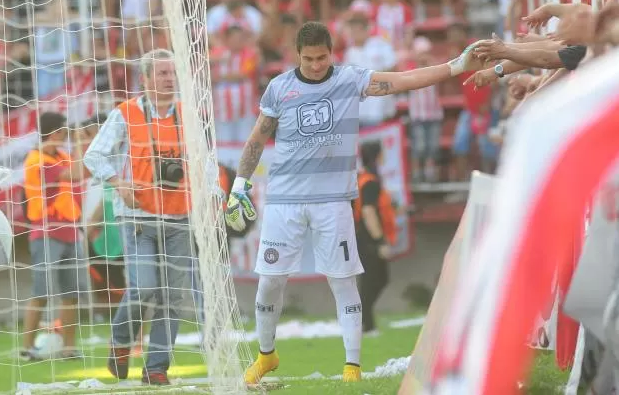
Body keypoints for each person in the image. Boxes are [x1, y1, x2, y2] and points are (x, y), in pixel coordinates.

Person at [226, 21, 487, 385]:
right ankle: (267, 356)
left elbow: (402, 80)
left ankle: (352, 367)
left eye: (322, 57)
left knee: (343, 280)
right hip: (284, 202)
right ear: (296, 56)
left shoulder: (351, 80)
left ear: (332, 52)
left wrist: (455, 67)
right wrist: (239, 185)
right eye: (309, 59)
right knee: (270, 282)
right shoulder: (279, 88)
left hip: (333, 201)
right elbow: (257, 139)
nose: (316, 65)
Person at [83, 49, 227, 386]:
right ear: (145, 79)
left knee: (173, 296)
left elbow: (206, 161)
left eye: (171, 73)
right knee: (144, 287)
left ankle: (156, 367)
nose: (167, 79)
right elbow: (93, 155)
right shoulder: (125, 113)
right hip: (137, 217)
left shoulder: (189, 116)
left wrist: (213, 195)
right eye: (161, 73)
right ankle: (120, 343)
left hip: (178, 217)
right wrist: (118, 182)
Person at [20, 112, 87, 361]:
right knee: (41, 292)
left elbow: (83, 171)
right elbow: (76, 174)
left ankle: (68, 348)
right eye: (65, 132)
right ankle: (27, 347)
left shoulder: (61, 156)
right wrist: (81, 143)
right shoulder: (37, 160)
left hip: (70, 231)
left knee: (72, 294)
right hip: (46, 232)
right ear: (57, 133)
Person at [353, 140, 397, 335]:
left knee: (375, 279)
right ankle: (365, 324)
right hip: (367, 238)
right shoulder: (369, 181)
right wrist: (379, 241)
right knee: (373, 280)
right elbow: (369, 212)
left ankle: (364, 322)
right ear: (378, 156)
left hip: (362, 235)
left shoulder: (365, 178)